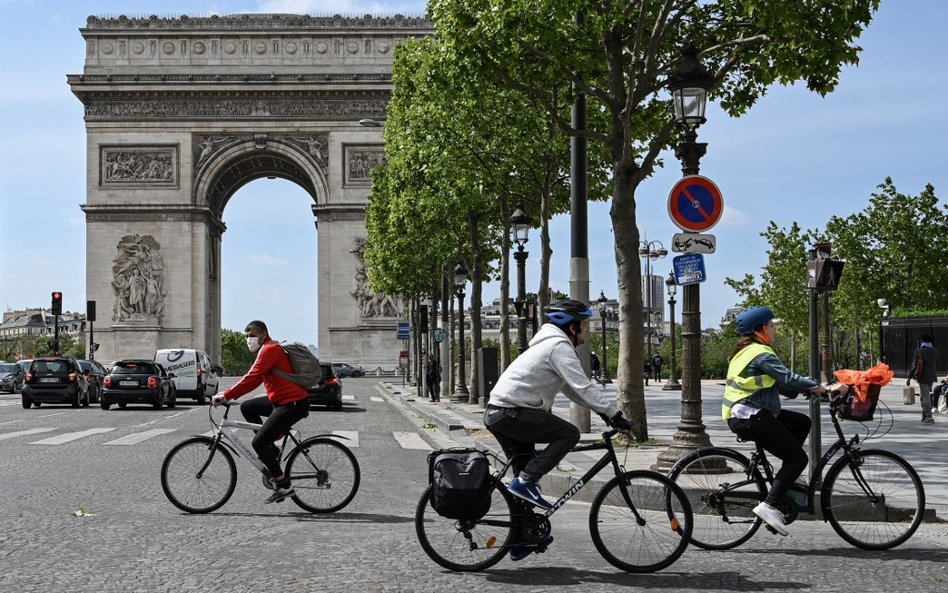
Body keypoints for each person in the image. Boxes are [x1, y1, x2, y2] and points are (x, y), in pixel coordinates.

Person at [484, 300, 632, 561]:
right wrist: (615, 414)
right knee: (568, 434)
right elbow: (583, 386)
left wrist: (601, 412)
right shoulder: (558, 346)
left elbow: (570, 389)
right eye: (584, 325)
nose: (587, 330)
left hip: (502, 413)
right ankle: (526, 481)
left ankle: (520, 539)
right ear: (571, 327)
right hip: (511, 413)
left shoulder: (550, 344)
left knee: (524, 474)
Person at [723, 306, 846, 536]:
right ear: (761, 329)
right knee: (798, 459)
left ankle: (783, 481)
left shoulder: (747, 351)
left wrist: (812, 391)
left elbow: (782, 384)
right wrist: (825, 386)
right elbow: (788, 377)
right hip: (750, 415)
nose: (775, 328)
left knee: (802, 423)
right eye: (772, 325)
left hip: (747, 413)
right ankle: (769, 505)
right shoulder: (759, 352)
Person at [211, 320, 310, 503]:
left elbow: (252, 378)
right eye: (247, 336)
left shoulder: (269, 349)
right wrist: (232, 396)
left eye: (252, 335)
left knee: (258, 443)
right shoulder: (265, 350)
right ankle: (271, 450)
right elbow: (255, 381)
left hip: (292, 404)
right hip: (281, 401)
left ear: (264, 335)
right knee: (247, 407)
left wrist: (225, 395)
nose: (249, 339)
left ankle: (283, 485)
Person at [906, 334, 937, 423]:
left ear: (922, 341)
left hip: (923, 376)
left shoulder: (919, 351)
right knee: (925, 395)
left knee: (925, 396)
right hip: (932, 376)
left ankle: (928, 416)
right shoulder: (935, 351)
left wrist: (909, 378)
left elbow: (914, 366)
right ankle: (924, 416)